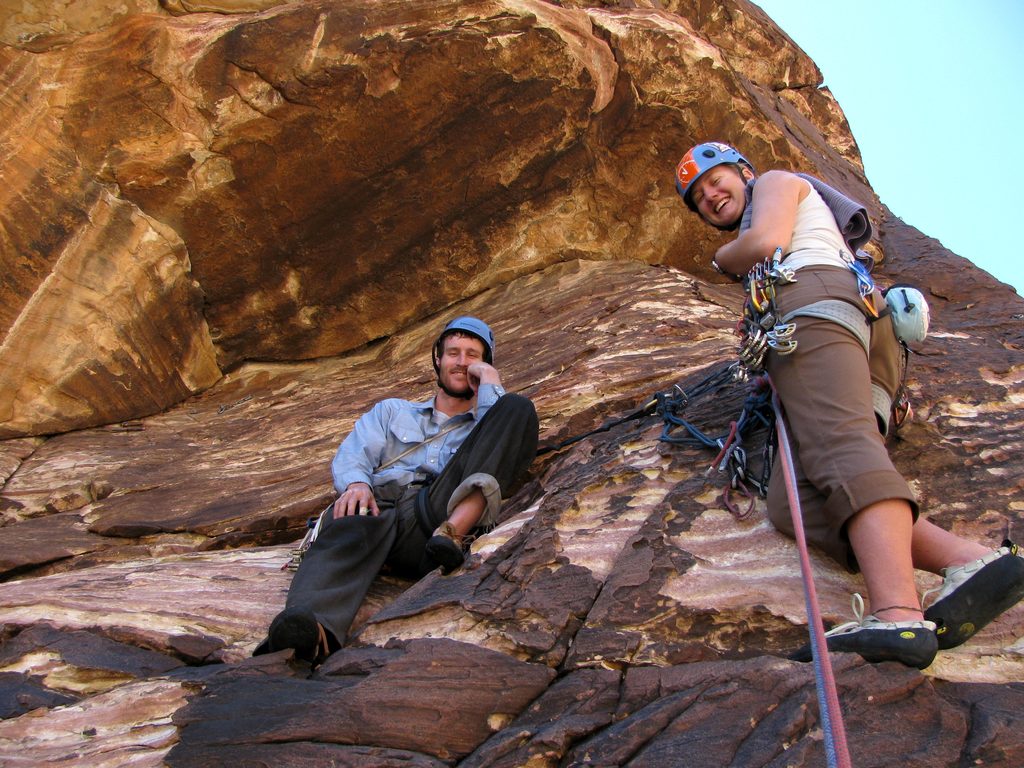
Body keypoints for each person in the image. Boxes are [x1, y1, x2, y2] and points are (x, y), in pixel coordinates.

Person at [674, 141, 1024, 668]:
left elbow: (766, 241)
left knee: (842, 446)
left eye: (715, 179)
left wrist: (720, 257)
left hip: (817, 306)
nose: (710, 195)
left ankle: (898, 615)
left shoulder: (774, 184)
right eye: (699, 197)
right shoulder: (799, 224)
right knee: (795, 503)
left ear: (744, 171)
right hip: (858, 324)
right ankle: (969, 562)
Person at [254, 316, 539, 664]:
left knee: (517, 408)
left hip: (432, 517)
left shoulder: (483, 424)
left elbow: (504, 432)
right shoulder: (393, 411)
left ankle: (455, 532)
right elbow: (355, 452)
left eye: (472, 355)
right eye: (453, 353)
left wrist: (491, 381)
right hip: (378, 509)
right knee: (348, 521)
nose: (461, 362)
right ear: (438, 358)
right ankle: (311, 631)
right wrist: (356, 484)